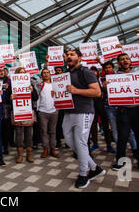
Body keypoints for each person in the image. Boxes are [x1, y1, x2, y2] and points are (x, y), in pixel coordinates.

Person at [61, 49, 105, 189]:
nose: (69, 56)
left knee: (80, 142)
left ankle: (83, 174)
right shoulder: (67, 74)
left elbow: (97, 92)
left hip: (84, 112)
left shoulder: (85, 71)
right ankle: (95, 168)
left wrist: (76, 91)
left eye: (72, 54)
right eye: (67, 54)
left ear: (80, 58)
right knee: (69, 140)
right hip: (69, 111)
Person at [111, 53, 139, 174]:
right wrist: (106, 87)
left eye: (127, 59)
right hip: (124, 111)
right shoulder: (114, 77)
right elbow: (112, 93)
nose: (125, 61)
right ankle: (121, 162)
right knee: (122, 138)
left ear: (130, 61)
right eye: (122, 60)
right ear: (119, 63)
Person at [5, 67, 39, 164]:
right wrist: (10, 98)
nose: (22, 75)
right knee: (19, 135)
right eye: (20, 73)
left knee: (29, 134)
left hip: (28, 111)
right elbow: (6, 99)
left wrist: (32, 91)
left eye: (24, 73)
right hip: (17, 112)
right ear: (16, 75)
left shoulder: (30, 84)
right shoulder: (12, 85)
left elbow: (36, 98)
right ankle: (20, 155)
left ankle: (29, 154)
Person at [88, 66, 115, 153]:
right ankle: (95, 144)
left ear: (97, 72)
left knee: (106, 126)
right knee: (93, 127)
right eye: (91, 72)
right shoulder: (87, 82)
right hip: (92, 106)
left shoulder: (102, 80)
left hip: (102, 106)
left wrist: (104, 88)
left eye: (94, 71)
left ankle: (109, 145)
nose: (93, 73)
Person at [36, 68, 59, 158]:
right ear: (41, 75)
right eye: (44, 73)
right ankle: (45, 149)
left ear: (50, 74)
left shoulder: (55, 85)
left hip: (54, 111)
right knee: (44, 131)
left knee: (52, 132)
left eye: (47, 72)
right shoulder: (39, 84)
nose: (46, 74)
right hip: (42, 111)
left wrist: (56, 93)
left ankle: (52, 149)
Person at [0, 69, 13, 155]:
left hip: (6, 106)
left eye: (3, 71)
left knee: (6, 127)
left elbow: (12, 93)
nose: (2, 72)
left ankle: (6, 146)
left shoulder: (9, 82)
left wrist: (7, 90)